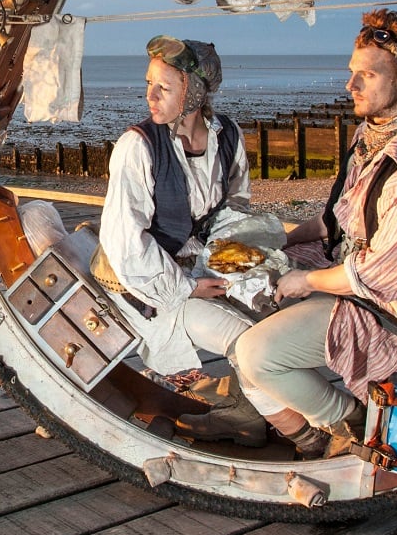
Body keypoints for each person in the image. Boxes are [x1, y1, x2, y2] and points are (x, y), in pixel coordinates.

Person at [233, 8, 397, 458]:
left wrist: (303, 280)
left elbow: (377, 276)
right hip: (345, 278)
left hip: (391, 312)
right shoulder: (371, 135)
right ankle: (256, 405)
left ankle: (347, 423)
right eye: (351, 72)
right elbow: (336, 222)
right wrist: (276, 245)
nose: (351, 85)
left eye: (368, 74)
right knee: (238, 289)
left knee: (257, 353)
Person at [95, 34, 287, 447]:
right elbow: (126, 243)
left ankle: (253, 402)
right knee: (247, 339)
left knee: (276, 313)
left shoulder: (228, 137)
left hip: (198, 269)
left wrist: (232, 266)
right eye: (148, 83)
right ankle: (262, 420)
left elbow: (234, 211)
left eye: (163, 87)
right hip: (143, 287)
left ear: (195, 93)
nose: (150, 96)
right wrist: (187, 287)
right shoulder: (138, 146)